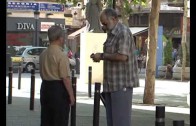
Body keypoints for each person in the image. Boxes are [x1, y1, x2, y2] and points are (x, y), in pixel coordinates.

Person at [90, 8, 139, 126]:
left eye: (105, 24)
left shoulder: (123, 32)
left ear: (114, 18)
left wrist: (101, 56)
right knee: (112, 122)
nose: (104, 27)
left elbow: (122, 56)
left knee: (120, 122)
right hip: (111, 84)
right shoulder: (111, 34)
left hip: (122, 84)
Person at [39, 25, 75, 126]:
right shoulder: (61, 55)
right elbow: (65, 78)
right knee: (60, 120)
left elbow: (42, 73)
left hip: (45, 88)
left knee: (46, 119)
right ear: (60, 38)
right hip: (58, 90)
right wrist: (71, 95)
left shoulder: (43, 54)